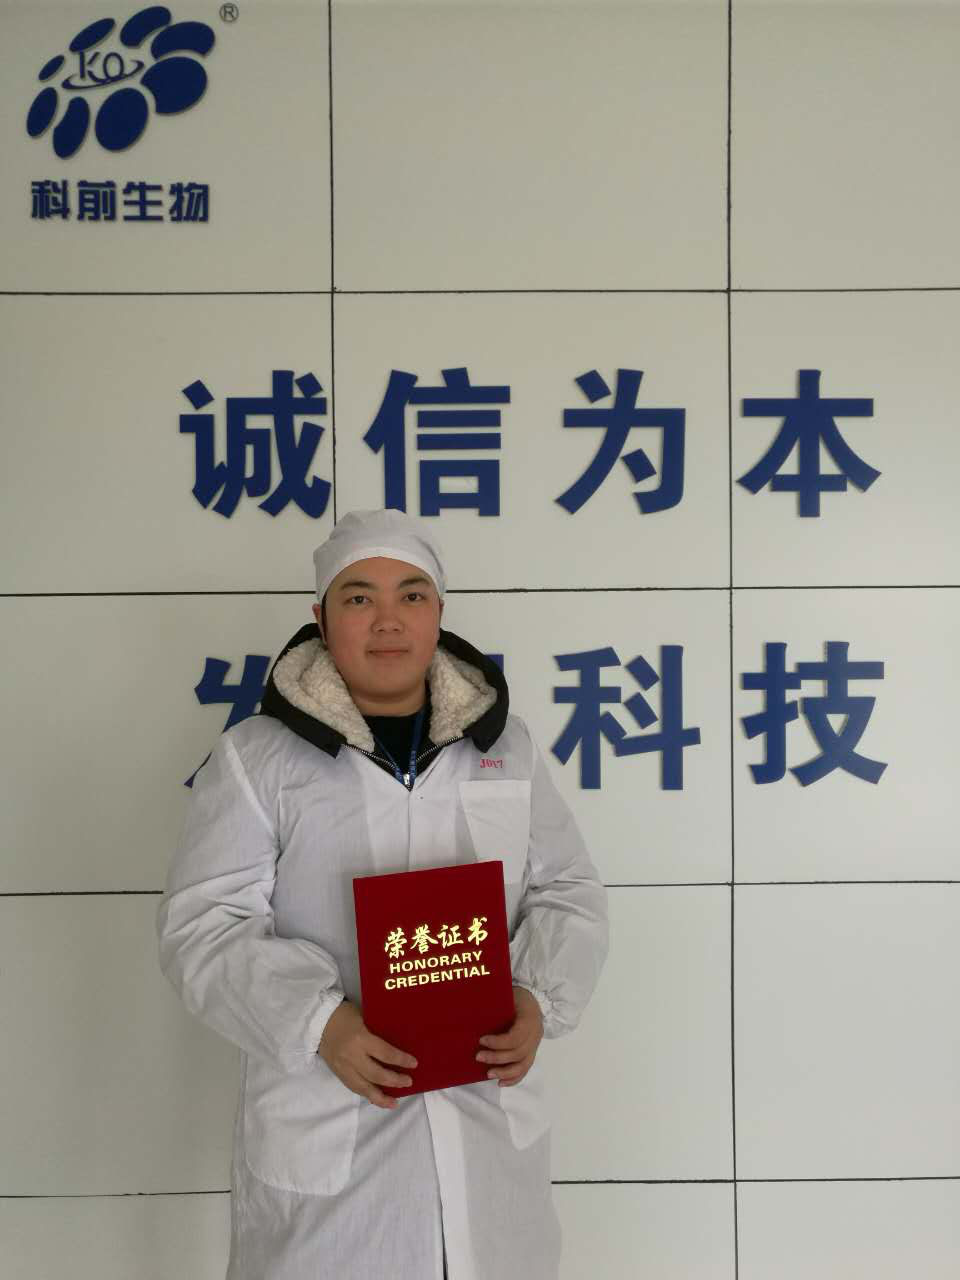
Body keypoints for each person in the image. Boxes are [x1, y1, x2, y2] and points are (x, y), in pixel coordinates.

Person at [156, 508, 608, 1280]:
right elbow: (203, 926)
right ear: (321, 618)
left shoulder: (508, 749)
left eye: (413, 596)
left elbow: (567, 889)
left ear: (439, 613)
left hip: (486, 1120)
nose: (388, 620)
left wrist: (537, 996)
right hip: (332, 1127)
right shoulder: (257, 758)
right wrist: (318, 1023)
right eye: (359, 597)